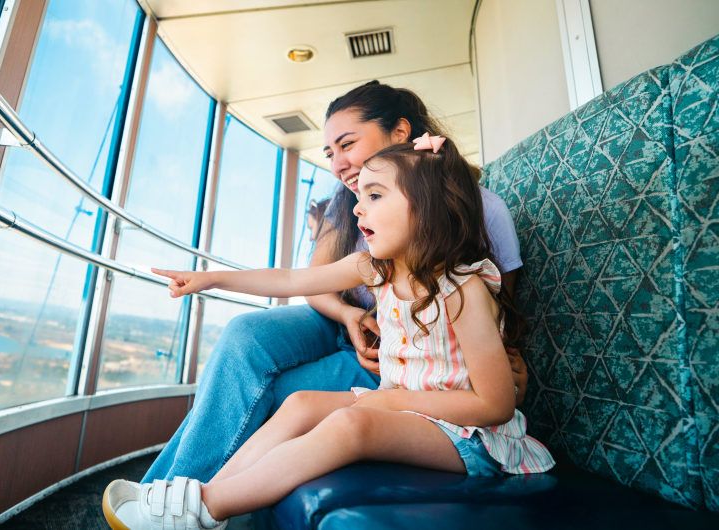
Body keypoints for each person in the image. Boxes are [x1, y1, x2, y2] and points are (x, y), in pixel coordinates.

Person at [103, 136, 553, 530]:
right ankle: (206, 500)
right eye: (361, 196)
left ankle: (207, 507)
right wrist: (212, 278)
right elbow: (290, 280)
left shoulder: (463, 290)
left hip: (471, 440)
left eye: (375, 195)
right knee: (300, 404)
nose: (358, 206)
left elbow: (495, 404)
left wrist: (389, 399)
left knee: (352, 423)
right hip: (407, 410)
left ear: (427, 210)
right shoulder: (376, 269)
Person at [141, 81, 528, 485]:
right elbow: (300, 280)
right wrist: (347, 313)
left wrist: (506, 370)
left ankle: (187, 496)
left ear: (400, 133)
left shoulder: (480, 227)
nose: (338, 164)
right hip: (349, 327)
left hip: (404, 364)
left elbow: (495, 328)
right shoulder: (357, 230)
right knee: (244, 336)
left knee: (275, 395)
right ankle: (170, 494)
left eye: (347, 145)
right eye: (329, 153)